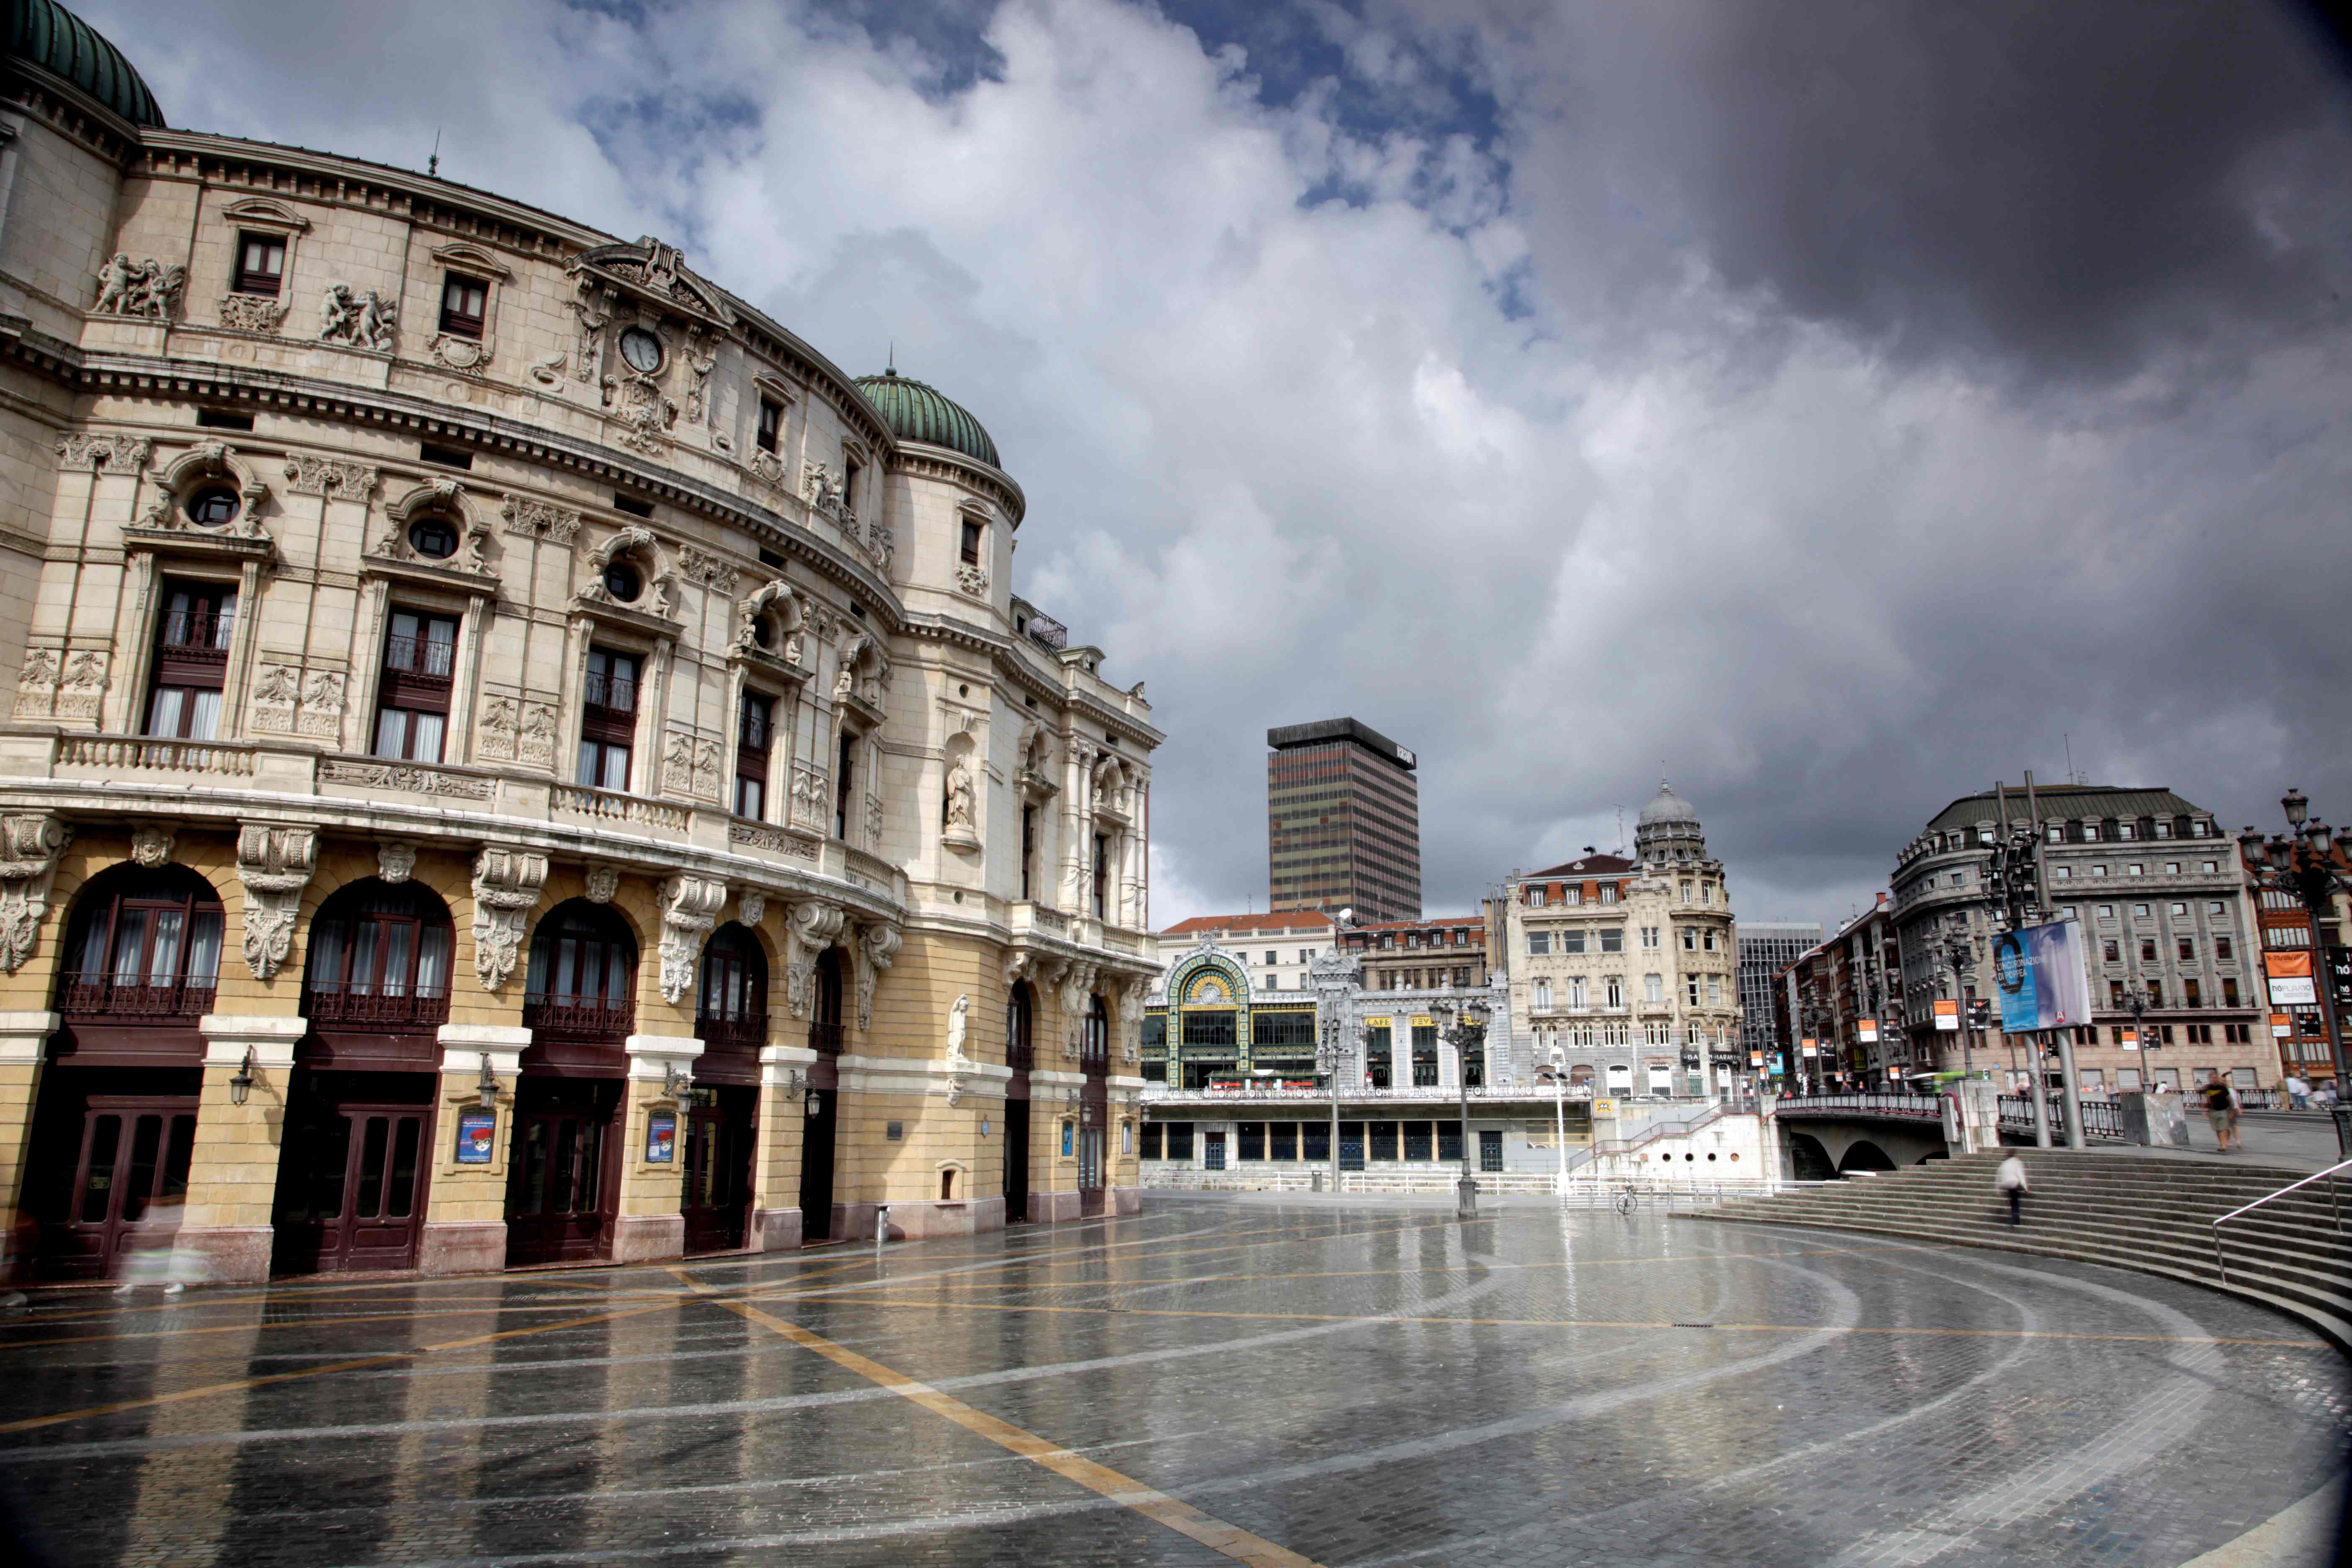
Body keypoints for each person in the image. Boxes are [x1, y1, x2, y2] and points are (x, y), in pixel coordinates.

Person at [2202, 1074, 2239, 1153]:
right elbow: (2206, 1098)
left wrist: (2232, 1110)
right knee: (2218, 1129)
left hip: (2223, 1110)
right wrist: (2204, 1110)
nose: (2214, 1080)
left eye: (2215, 1078)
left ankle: (2224, 1146)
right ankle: (2222, 1144)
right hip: (2213, 1111)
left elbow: (2229, 1099)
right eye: (2212, 1078)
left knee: (2222, 1128)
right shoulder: (2209, 1088)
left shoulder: (2223, 1088)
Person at [1996, 1153, 2029, 1226]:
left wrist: (1998, 1189)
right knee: (2015, 1201)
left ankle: (2014, 1214)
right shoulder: (2016, 1162)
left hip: (2007, 1184)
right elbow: (2020, 1175)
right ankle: (2016, 1220)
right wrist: (2025, 1187)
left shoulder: (2004, 1163)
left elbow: (1999, 1175)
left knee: (2013, 1201)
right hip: (2014, 1184)